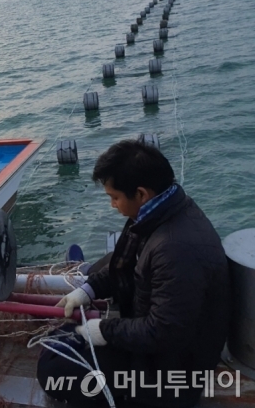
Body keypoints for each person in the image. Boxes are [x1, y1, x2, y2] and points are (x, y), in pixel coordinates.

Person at [37, 140, 231, 408]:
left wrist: (105, 329)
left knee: (55, 372)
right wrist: (88, 289)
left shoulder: (176, 249)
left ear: (141, 193)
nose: (112, 205)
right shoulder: (159, 211)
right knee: (60, 348)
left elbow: (163, 332)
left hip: (174, 370)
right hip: (156, 344)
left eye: (114, 198)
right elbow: (123, 266)